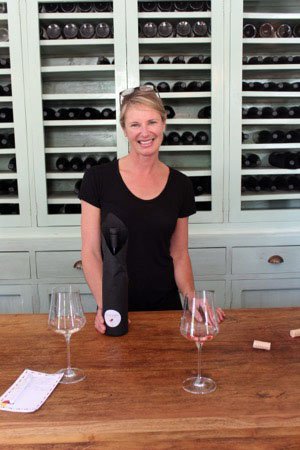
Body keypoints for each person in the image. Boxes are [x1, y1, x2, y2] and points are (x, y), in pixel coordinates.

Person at [79, 85, 225, 333]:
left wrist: (191, 299)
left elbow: (179, 254)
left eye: (152, 122)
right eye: (135, 125)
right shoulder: (97, 179)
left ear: (163, 124)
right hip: (117, 308)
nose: (144, 132)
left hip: (166, 309)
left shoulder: (181, 184)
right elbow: (91, 253)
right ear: (124, 130)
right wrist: (107, 305)